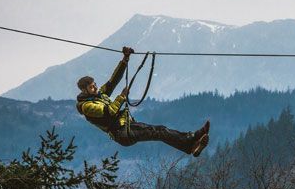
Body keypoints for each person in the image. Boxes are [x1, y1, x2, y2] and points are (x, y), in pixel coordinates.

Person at [76, 46, 210, 156]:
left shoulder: (99, 95)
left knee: (160, 130)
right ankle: (192, 140)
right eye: (91, 87)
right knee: (159, 132)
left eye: (94, 84)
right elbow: (110, 112)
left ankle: (192, 142)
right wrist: (122, 96)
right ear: (83, 90)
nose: (95, 87)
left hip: (127, 126)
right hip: (122, 133)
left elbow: (113, 81)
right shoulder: (87, 106)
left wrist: (125, 60)